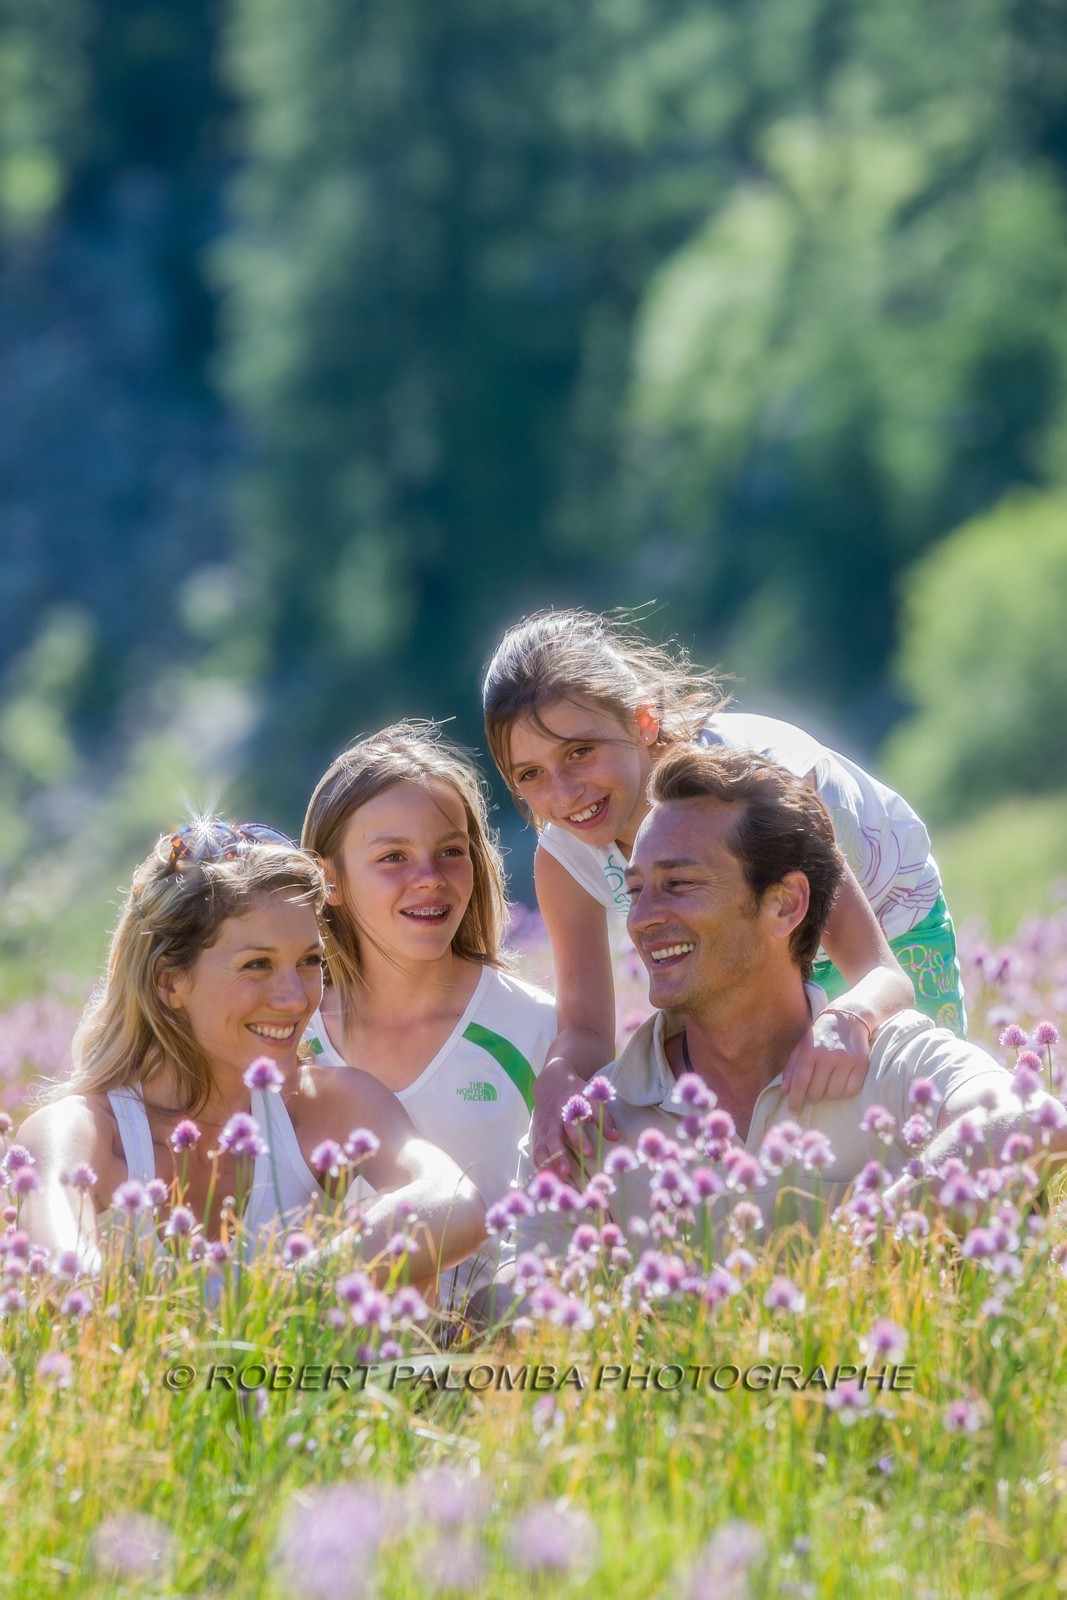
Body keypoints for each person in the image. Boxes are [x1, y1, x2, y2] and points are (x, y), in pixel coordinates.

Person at [504, 746, 1065, 1258]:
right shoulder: (590, 1121)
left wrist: (861, 1253)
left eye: (679, 884)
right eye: (634, 890)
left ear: (785, 905)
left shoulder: (895, 1062)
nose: (643, 917)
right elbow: (514, 1302)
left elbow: (1036, 1122)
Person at [483, 607, 963, 1174]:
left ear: (642, 721)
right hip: (744, 939)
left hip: (891, 921)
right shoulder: (563, 856)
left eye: (580, 751)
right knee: (774, 1150)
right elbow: (587, 1030)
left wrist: (851, 1017)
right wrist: (560, 1077)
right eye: (529, 775)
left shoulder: (751, 789)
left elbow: (882, 976)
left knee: (923, 1127)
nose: (564, 793)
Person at [15, 820, 486, 1288]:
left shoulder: (327, 1105)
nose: (296, 999)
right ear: (169, 981)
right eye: (257, 965)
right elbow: (62, 1276)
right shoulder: (80, 1131)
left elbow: (455, 1201)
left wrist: (279, 1297)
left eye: (309, 962)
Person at [300, 722, 557, 1296]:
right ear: (329, 880)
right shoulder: (287, 1037)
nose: (429, 880)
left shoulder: (539, 1030)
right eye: (393, 857)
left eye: (450, 852)